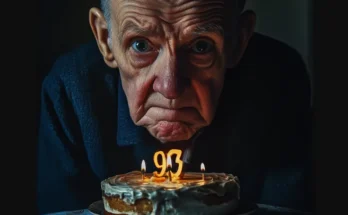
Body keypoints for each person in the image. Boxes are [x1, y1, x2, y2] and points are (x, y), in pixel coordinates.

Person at [37, 0, 313, 214]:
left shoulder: (278, 79)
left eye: (200, 46)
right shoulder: (70, 91)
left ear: (238, 41)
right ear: (106, 38)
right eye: (141, 45)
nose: (169, 88)